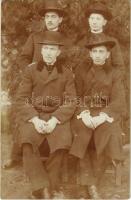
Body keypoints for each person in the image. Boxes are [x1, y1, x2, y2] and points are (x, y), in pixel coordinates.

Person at [3, 0, 68, 169]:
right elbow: (24, 57)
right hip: (34, 83)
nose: (50, 20)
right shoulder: (35, 37)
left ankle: (57, 156)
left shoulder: (65, 39)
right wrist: (30, 70)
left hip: (56, 85)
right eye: (47, 16)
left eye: (54, 17)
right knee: (23, 111)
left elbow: (69, 61)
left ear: (60, 19)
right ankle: (16, 155)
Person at [14, 31, 76, 199]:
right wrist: (34, 119)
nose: (49, 52)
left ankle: (45, 187)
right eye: (46, 48)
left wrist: (55, 120)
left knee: (62, 141)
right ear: (41, 51)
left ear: (59, 52)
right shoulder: (31, 70)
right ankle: (44, 188)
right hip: (35, 115)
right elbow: (20, 99)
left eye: (53, 49)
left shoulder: (66, 72)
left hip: (57, 117)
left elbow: (71, 101)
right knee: (27, 140)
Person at [69, 34, 126, 199]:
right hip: (84, 112)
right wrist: (84, 113)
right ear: (90, 54)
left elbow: (119, 100)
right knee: (81, 132)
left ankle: (87, 184)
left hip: (105, 113)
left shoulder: (115, 73)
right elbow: (75, 96)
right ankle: (90, 185)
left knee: (107, 132)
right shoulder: (81, 70)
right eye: (95, 51)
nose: (98, 55)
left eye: (102, 52)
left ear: (108, 54)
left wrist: (103, 116)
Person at [75, 0, 125, 78]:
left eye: (98, 19)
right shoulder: (81, 42)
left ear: (104, 22)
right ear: (88, 20)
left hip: (107, 85)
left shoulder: (113, 42)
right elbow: (76, 68)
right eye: (92, 18)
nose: (94, 22)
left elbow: (119, 68)